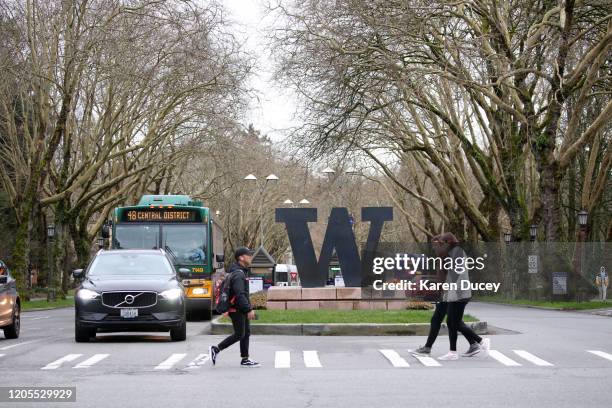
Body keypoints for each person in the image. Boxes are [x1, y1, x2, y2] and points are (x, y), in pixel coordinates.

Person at [411, 233, 490, 360]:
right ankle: (471, 344)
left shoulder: (454, 253)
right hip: (451, 294)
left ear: (446, 244)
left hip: (456, 294)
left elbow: (454, 276)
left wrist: (445, 291)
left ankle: (477, 342)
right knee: (447, 321)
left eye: (437, 245)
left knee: (451, 322)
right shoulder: (448, 254)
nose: (434, 248)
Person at [209, 247, 259, 367]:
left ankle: (245, 358)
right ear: (241, 257)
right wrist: (248, 309)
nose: (250, 257)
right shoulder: (238, 274)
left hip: (239, 308)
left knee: (246, 333)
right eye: (248, 255)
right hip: (236, 309)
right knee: (239, 334)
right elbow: (240, 294)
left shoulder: (239, 271)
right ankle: (216, 349)